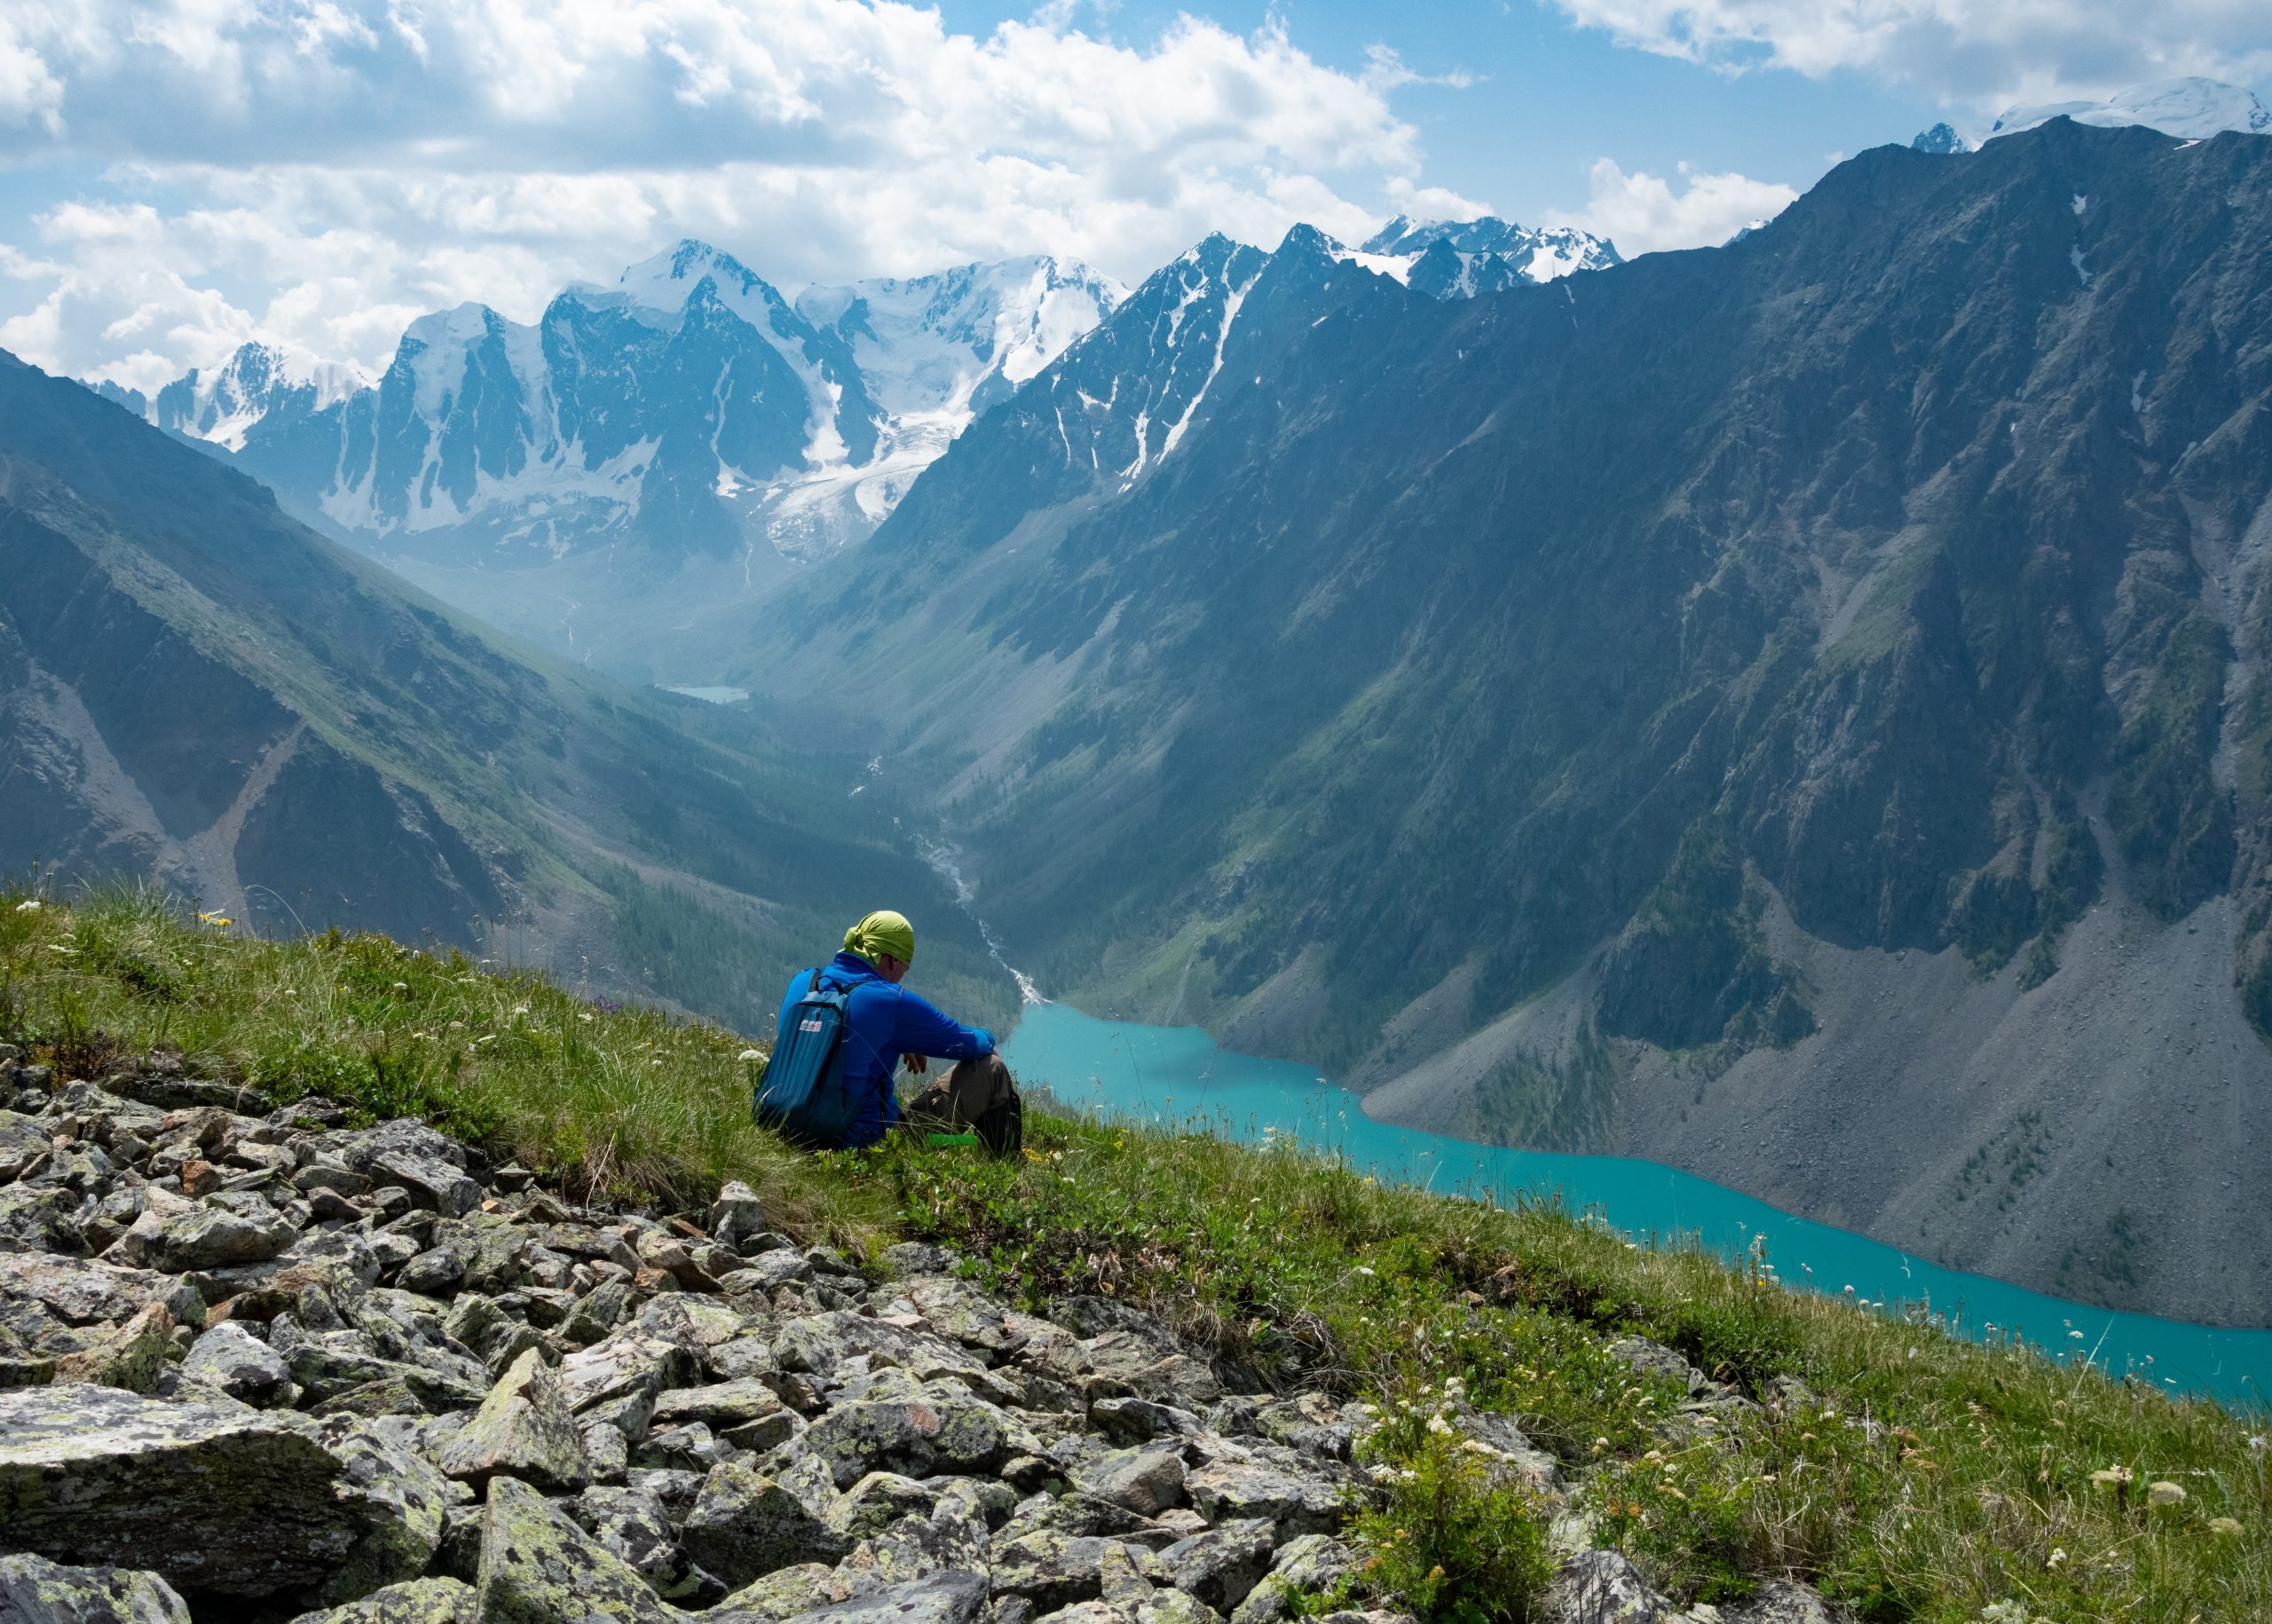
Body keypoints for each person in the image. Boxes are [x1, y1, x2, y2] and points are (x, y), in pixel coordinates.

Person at [774, 910, 996, 1149]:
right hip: (863, 1142)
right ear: (892, 960)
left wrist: (898, 1039)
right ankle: (995, 1153)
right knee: (993, 1068)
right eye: (904, 969)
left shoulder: (804, 981)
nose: (900, 977)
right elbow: (970, 1043)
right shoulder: (890, 1001)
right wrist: (988, 1037)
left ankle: (985, 1149)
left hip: (784, 1126)